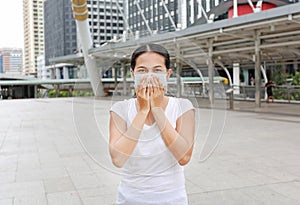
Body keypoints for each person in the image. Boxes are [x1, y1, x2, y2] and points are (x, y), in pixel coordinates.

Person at [109, 43, 195, 205]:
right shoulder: (119, 109)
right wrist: (142, 112)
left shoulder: (183, 107)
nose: (149, 76)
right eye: (142, 70)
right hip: (130, 197)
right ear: (133, 74)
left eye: (157, 70)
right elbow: (118, 159)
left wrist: (156, 109)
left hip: (172, 197)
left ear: (168, 74)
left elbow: (184, 157)